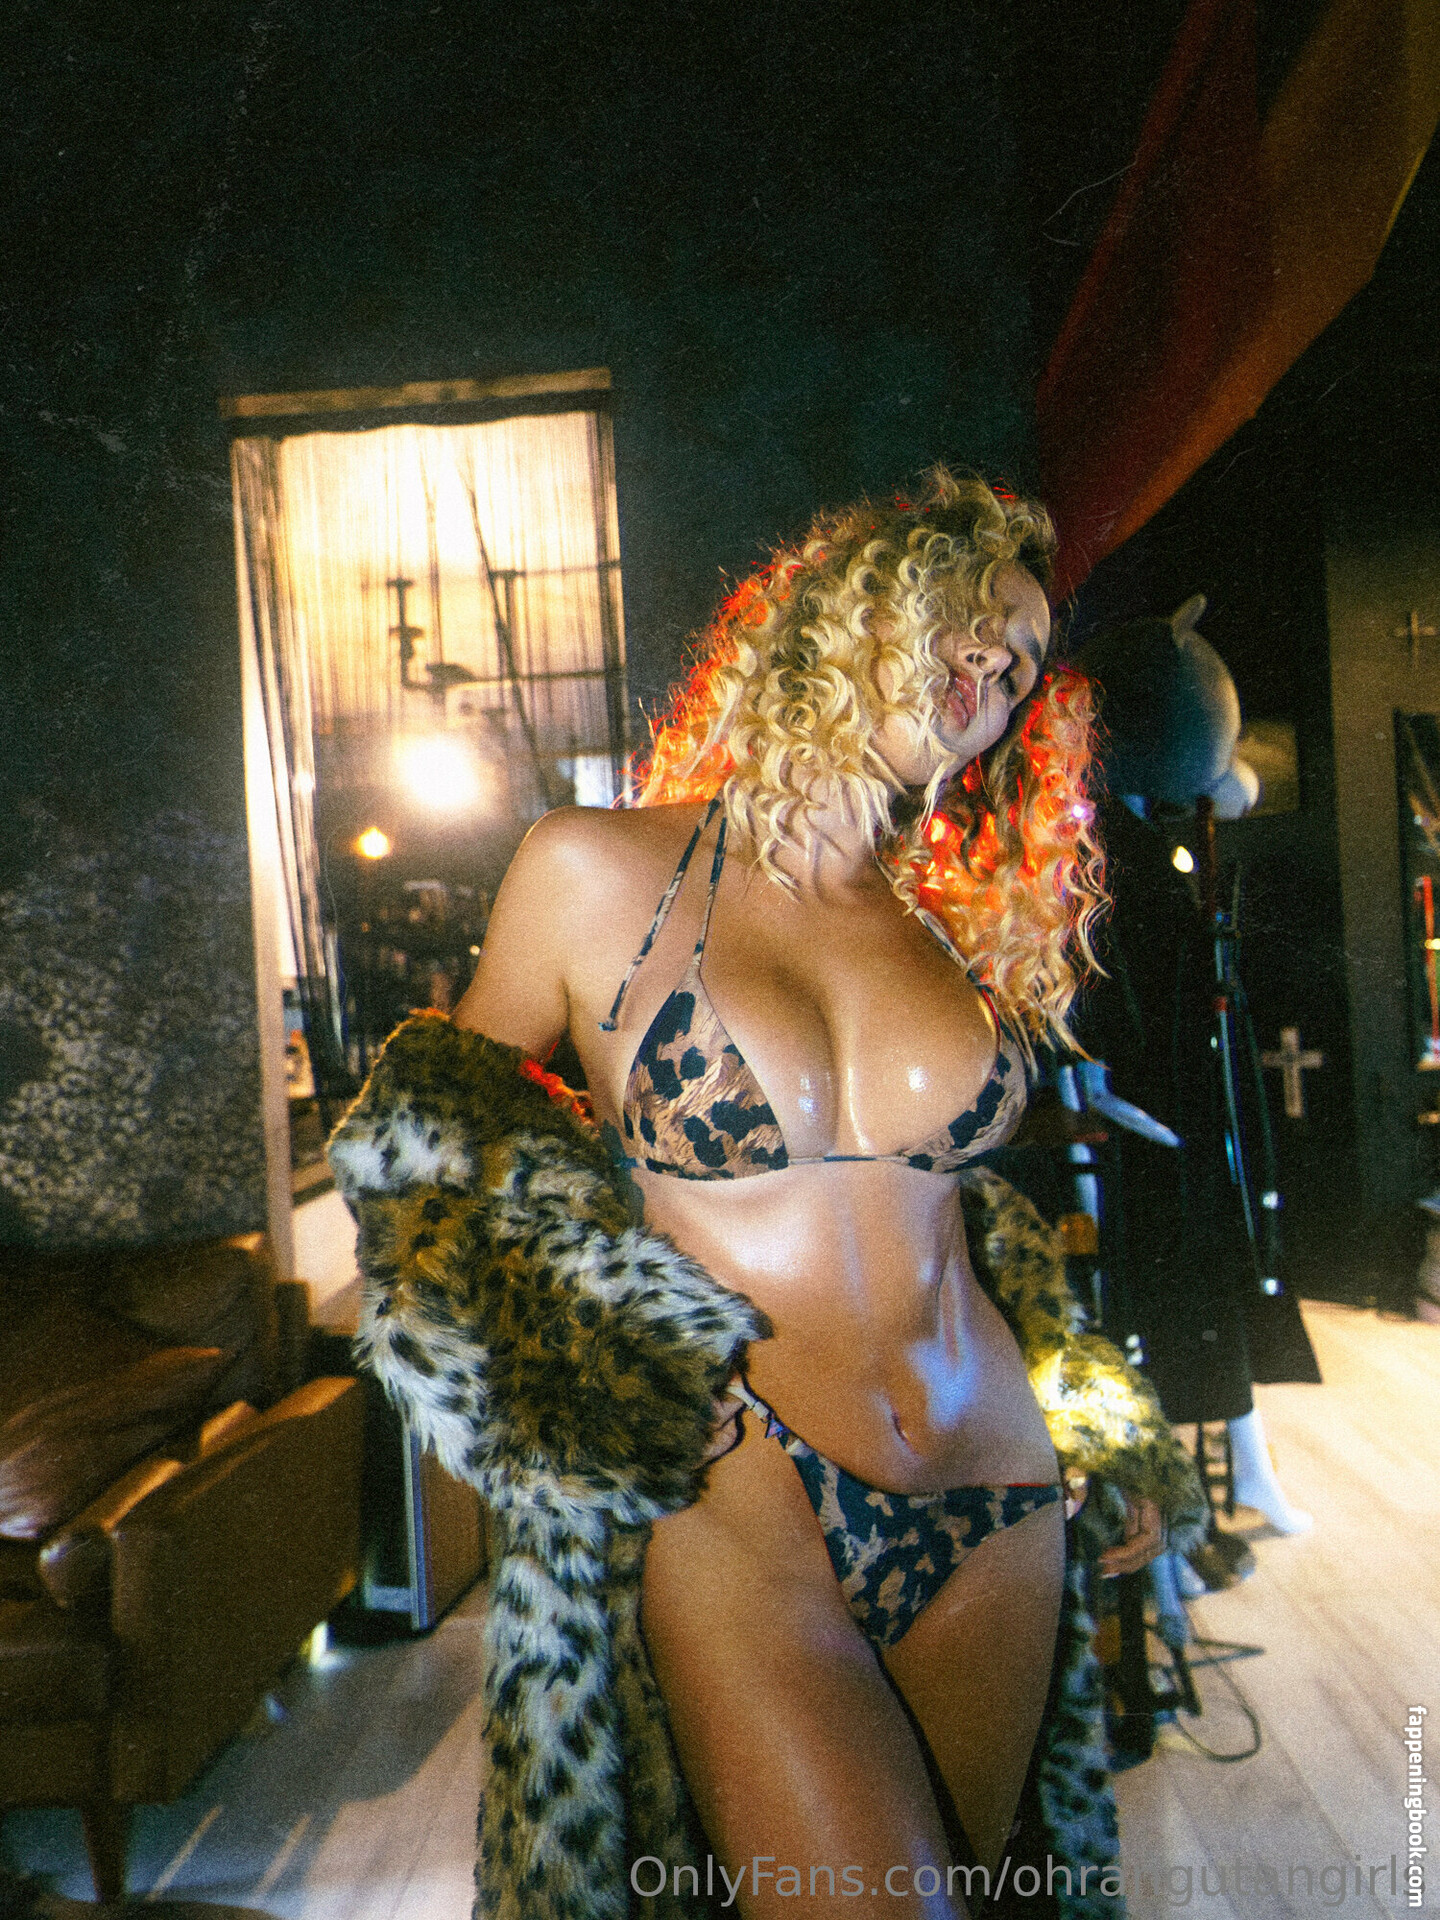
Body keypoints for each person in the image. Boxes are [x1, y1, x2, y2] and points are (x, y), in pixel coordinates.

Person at [437, 469, 1163, 1917]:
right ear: (845, 620)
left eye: (1024, 662)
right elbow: (443, 1149)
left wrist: (1090, 1408)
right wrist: (580, 1353)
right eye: (969, 622)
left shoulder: (956, 925)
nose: (996, 669)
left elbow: (974, 1231)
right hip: (745, 1486)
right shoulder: (596, 869)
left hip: (995, 1476)